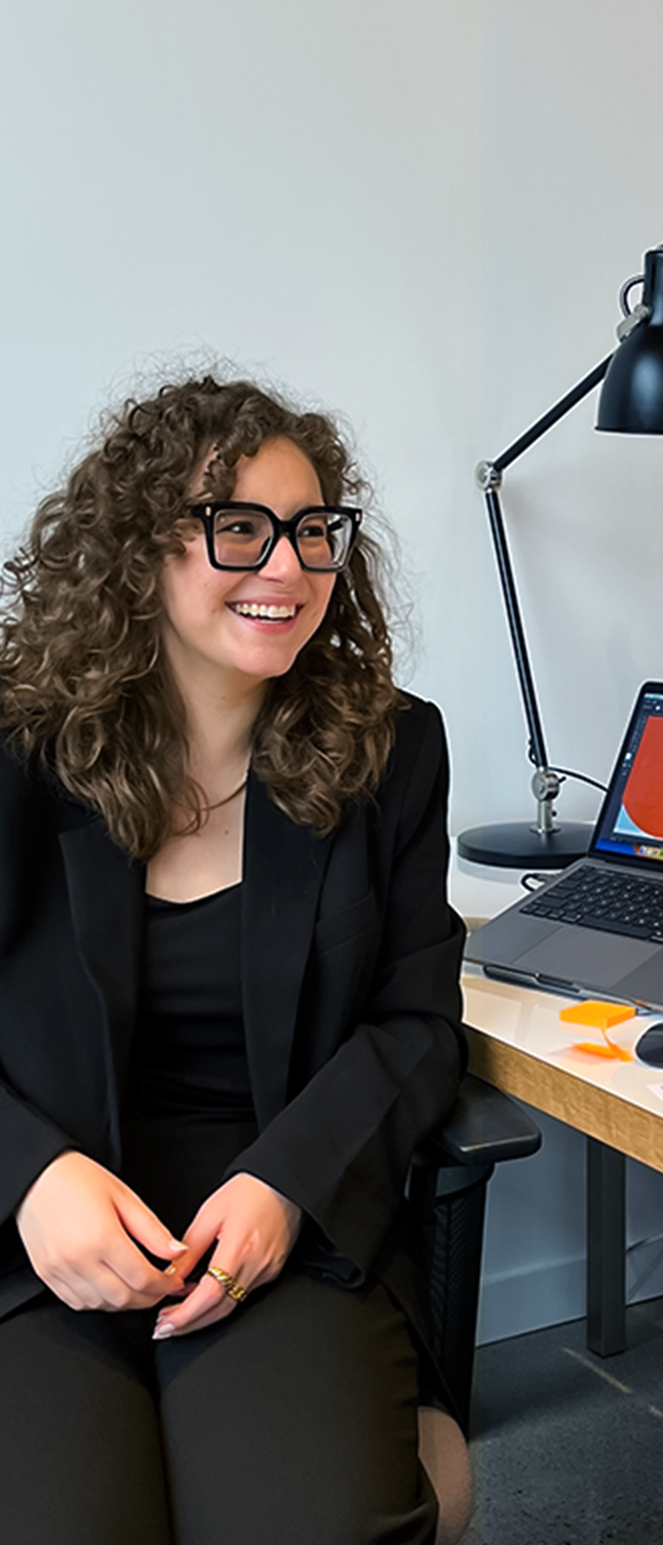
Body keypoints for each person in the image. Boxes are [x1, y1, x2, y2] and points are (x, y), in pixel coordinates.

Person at [0, 374, 466, 1544]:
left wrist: (288, 1185)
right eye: (239, 527)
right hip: (40, 1219)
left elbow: (415, 1021)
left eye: (314, 531)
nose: (289, 566)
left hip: (274, 1219)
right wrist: (28, 1177)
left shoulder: (391, 750)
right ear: (139, 553)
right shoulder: (16, 746)